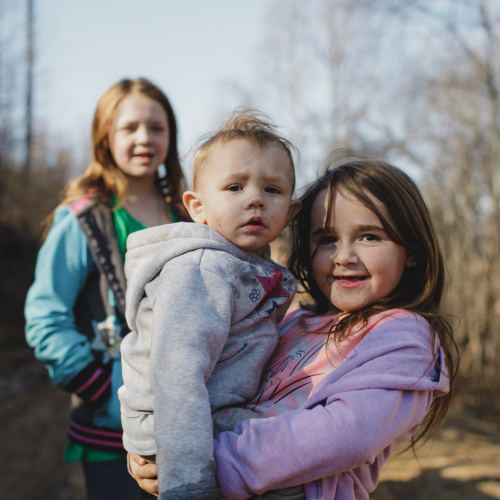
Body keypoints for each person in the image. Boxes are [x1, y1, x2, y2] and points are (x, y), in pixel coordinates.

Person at [130, 157, 457, 500]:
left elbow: (346, 436)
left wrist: (198, 464)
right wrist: (156, 448)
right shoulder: (290, 322)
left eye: (369, 236)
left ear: (413, 253)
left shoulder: (406, 340)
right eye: (328, 239)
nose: (344, 256)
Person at [118, 110, 302, 500]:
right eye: (234, 187)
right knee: (295, 465)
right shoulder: (202, 269)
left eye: (272, 189)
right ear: (197, 207)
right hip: (181, 429)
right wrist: (190, 486)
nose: (255, 199)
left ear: (290, 210)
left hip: (205, 417)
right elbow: (177, 374)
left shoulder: (245, 266)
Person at [24, 77, 189, 500]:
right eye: (128, 128)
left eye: (156, 127)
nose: (143, 139)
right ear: (104, 139)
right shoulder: (84, 220)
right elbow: (46, 317)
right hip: (109, 434)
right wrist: (99, 388)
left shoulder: (189, 218)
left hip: (186, 427)